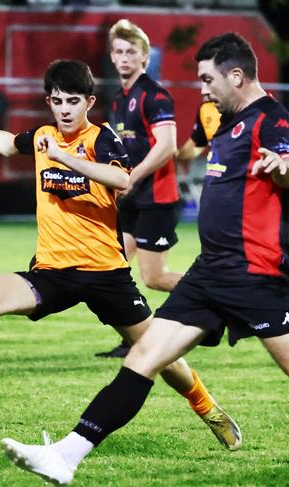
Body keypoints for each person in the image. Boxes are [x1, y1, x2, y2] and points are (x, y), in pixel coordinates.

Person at [0, 35, 289, 487]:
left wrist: (281, 167)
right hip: (208, 274)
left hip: (255, 275)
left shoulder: (271, 119)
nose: (202, 90)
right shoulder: (224, 123)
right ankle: (66, 456)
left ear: (236, 76)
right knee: (144, 357)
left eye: (208, 80)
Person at [0, 59, 241, 454]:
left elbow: (123, 179)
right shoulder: (44, 135)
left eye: (73, 101)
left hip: (105, 273)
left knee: (157, 354)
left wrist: (66, 158)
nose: (64, 109)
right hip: (53, 272)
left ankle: (207, 407)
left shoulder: (102, 138)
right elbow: (9, 143)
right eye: (57, 101)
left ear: (89, 101)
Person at [95, 19, 182, 359]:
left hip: (156, 199)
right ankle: (134, 337)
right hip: (132, 200)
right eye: (119, 51)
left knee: (154, 277)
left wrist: (133, 178)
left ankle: (217, 297)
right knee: (110, 268)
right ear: (112, 57)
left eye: (132, 51)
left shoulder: (154, 95)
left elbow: (167, 146)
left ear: (145, 56)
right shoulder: (119, 99)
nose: (125, 57)